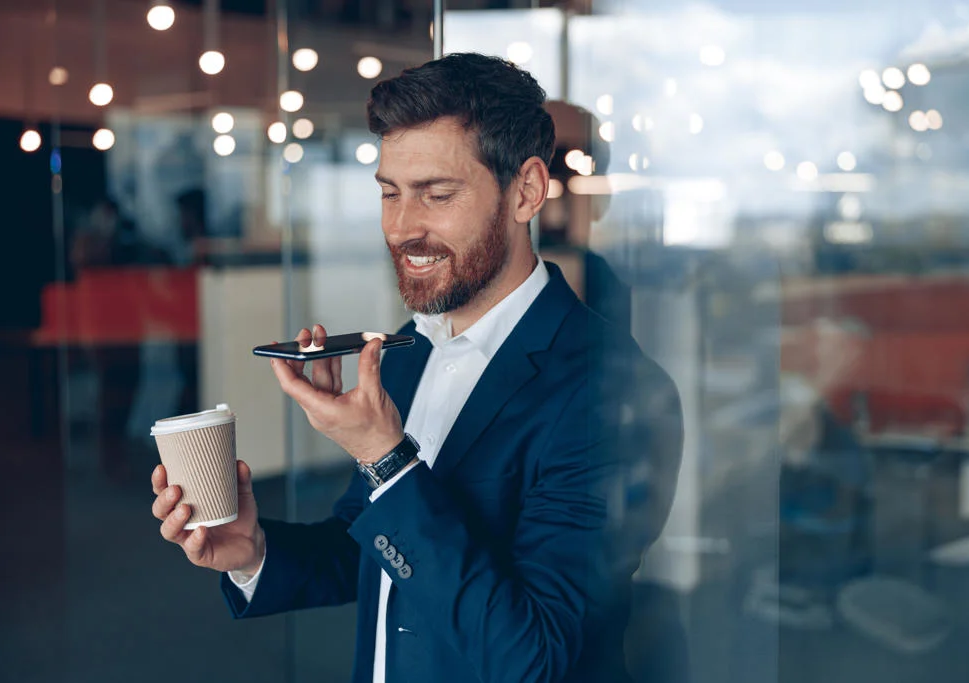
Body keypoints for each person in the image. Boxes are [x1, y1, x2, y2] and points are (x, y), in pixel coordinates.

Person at [151, 53, 683, 683]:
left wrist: (385, 457)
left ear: (528, 191)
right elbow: (371, 545)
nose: (402, 227)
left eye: (437, 194)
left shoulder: (612, 393)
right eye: (389, 192)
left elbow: (536, 658)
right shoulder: (411, 348)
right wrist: (253, 551)